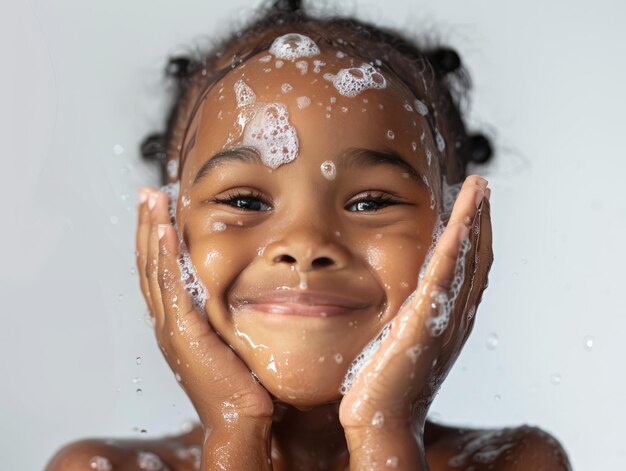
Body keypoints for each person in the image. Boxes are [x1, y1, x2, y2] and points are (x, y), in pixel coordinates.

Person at [46, 0, 572, 469]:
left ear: (457, 236)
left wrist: (386, 430)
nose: (305, 244)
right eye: (245, 201)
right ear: (167, 233)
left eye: (370, 203)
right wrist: (233, 428)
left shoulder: (516, 463)